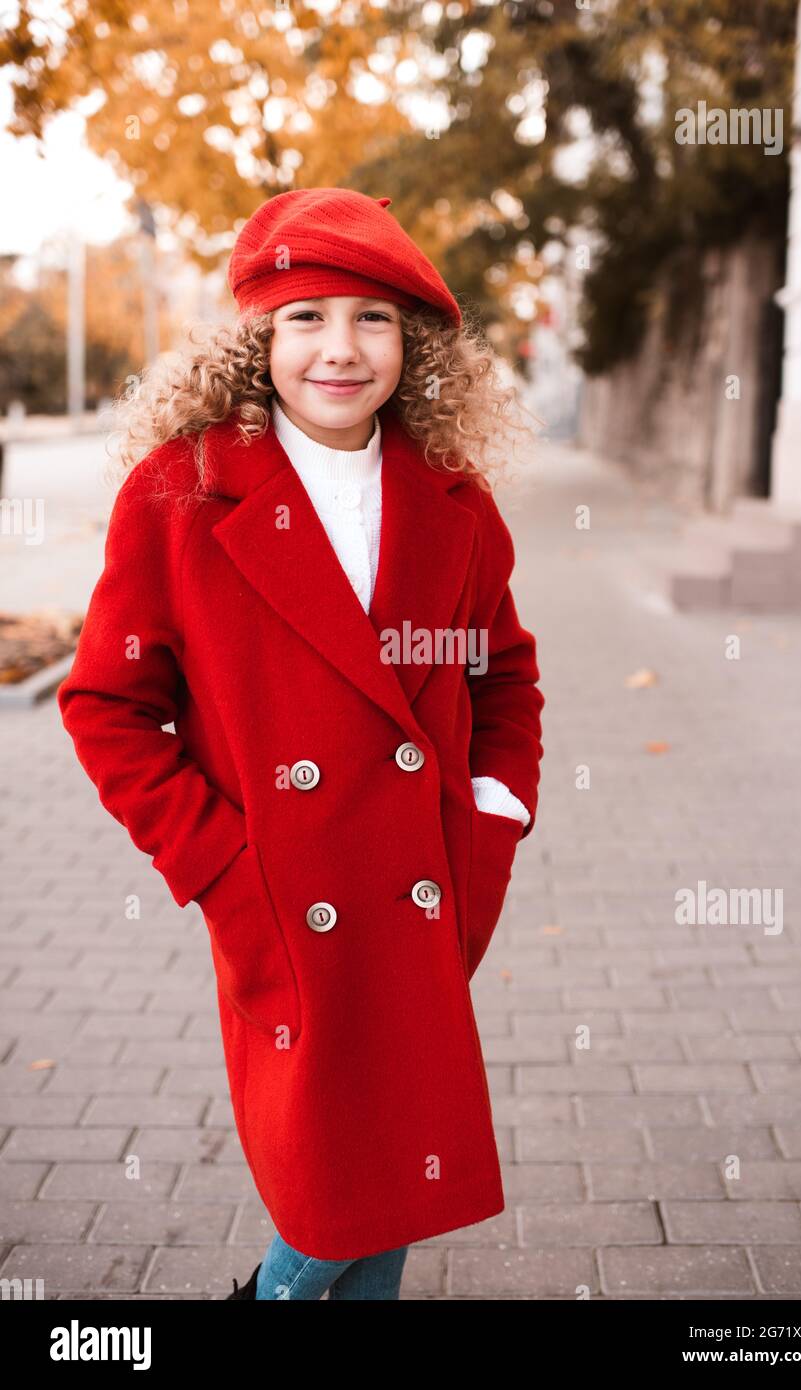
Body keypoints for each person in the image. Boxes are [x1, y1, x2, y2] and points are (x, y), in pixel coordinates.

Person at [57, 188, 545, 1301]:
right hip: (287, 899)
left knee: (400, 1176)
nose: (340, 348)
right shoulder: (180, 494)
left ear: (408, 343)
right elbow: (106, 703)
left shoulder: (456, 505)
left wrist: (494, 812)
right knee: (333, 1187)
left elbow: (503, 676)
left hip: (425, 892)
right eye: (306, 317)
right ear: (258, 339)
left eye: (371, 318)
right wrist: (222, 862)